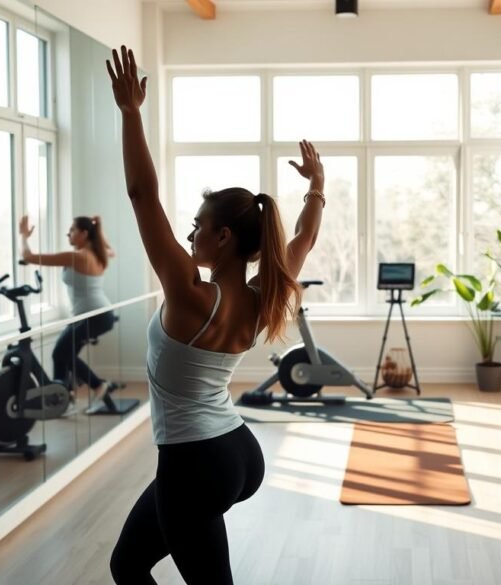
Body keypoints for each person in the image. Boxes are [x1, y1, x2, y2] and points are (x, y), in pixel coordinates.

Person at [106, 46, 326, 585]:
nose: (189, 233)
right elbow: (304, 237)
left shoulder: (190, 296)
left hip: (194, 463)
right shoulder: (261, 297)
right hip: (234, 452)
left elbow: (141, 196)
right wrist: (317, 187)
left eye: (198, 224)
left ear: (224, 237)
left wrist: (131, 114)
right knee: (126, 563)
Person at [19, 213, 118, 405]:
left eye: (72, 230)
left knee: (61, 353)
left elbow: (28, 256)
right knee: (62, 354)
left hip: (94, 316)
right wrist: (99, 228)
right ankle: (64, 396)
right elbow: (110, 249)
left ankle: (96, 386)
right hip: (96, 314)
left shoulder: (77, 257)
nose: (68, 234)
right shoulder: (100, 254)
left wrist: (23, 235)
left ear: (84, 233)